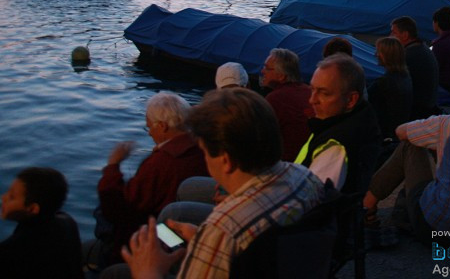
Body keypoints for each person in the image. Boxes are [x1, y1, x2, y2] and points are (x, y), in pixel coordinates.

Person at [122, 89, 326, 279]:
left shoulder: (222, 230)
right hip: (282, 263)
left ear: (225, 161)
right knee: (186, 193)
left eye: (205, 151)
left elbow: (225, 233)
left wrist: (148, 272)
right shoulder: (305, 176)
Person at [363, 73, 450, 241]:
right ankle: (396, 212)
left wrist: (433, 139)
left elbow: (400, 132)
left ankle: (368, 205)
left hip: (434, 228)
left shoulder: (448, 124)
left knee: (409, 146)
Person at [96, 92, 207, 265]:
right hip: (183, 233)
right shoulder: (202, 149)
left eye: (150, 127)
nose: (149, 133)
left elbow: (117, 209)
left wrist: (113, 167)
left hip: (160, 238)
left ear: (162, 126)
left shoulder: (161, 163)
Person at [295, 54, 382, 195]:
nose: (312, 100)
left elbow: (310, 201)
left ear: (351, 100)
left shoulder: (337, 146)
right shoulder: (332, 125)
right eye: (312, 89)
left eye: (324, 93)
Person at [0, 167, 83, 279]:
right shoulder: (67, 221)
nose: (3, 198)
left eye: (11, 197)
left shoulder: (12, 250)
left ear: (32, 208)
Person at [260, 48, 314, 162]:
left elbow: (260, 137)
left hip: (284, 166)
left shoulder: (275, 99)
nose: (262, 71)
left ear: (281, 76)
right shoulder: (310, 92)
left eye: (267, 68)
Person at [390, 16, 439, 120]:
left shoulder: (409, 55)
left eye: (394, 33)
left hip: (417, 111)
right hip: (428, 106)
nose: (390, 36)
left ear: (405, 35)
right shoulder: (422, 48)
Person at [369, 37, 413, 139]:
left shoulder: (385, 82)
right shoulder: (405, 76)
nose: (375, 55)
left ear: (386, 56)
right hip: (398, 129)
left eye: (378, 52)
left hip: (385, 133)